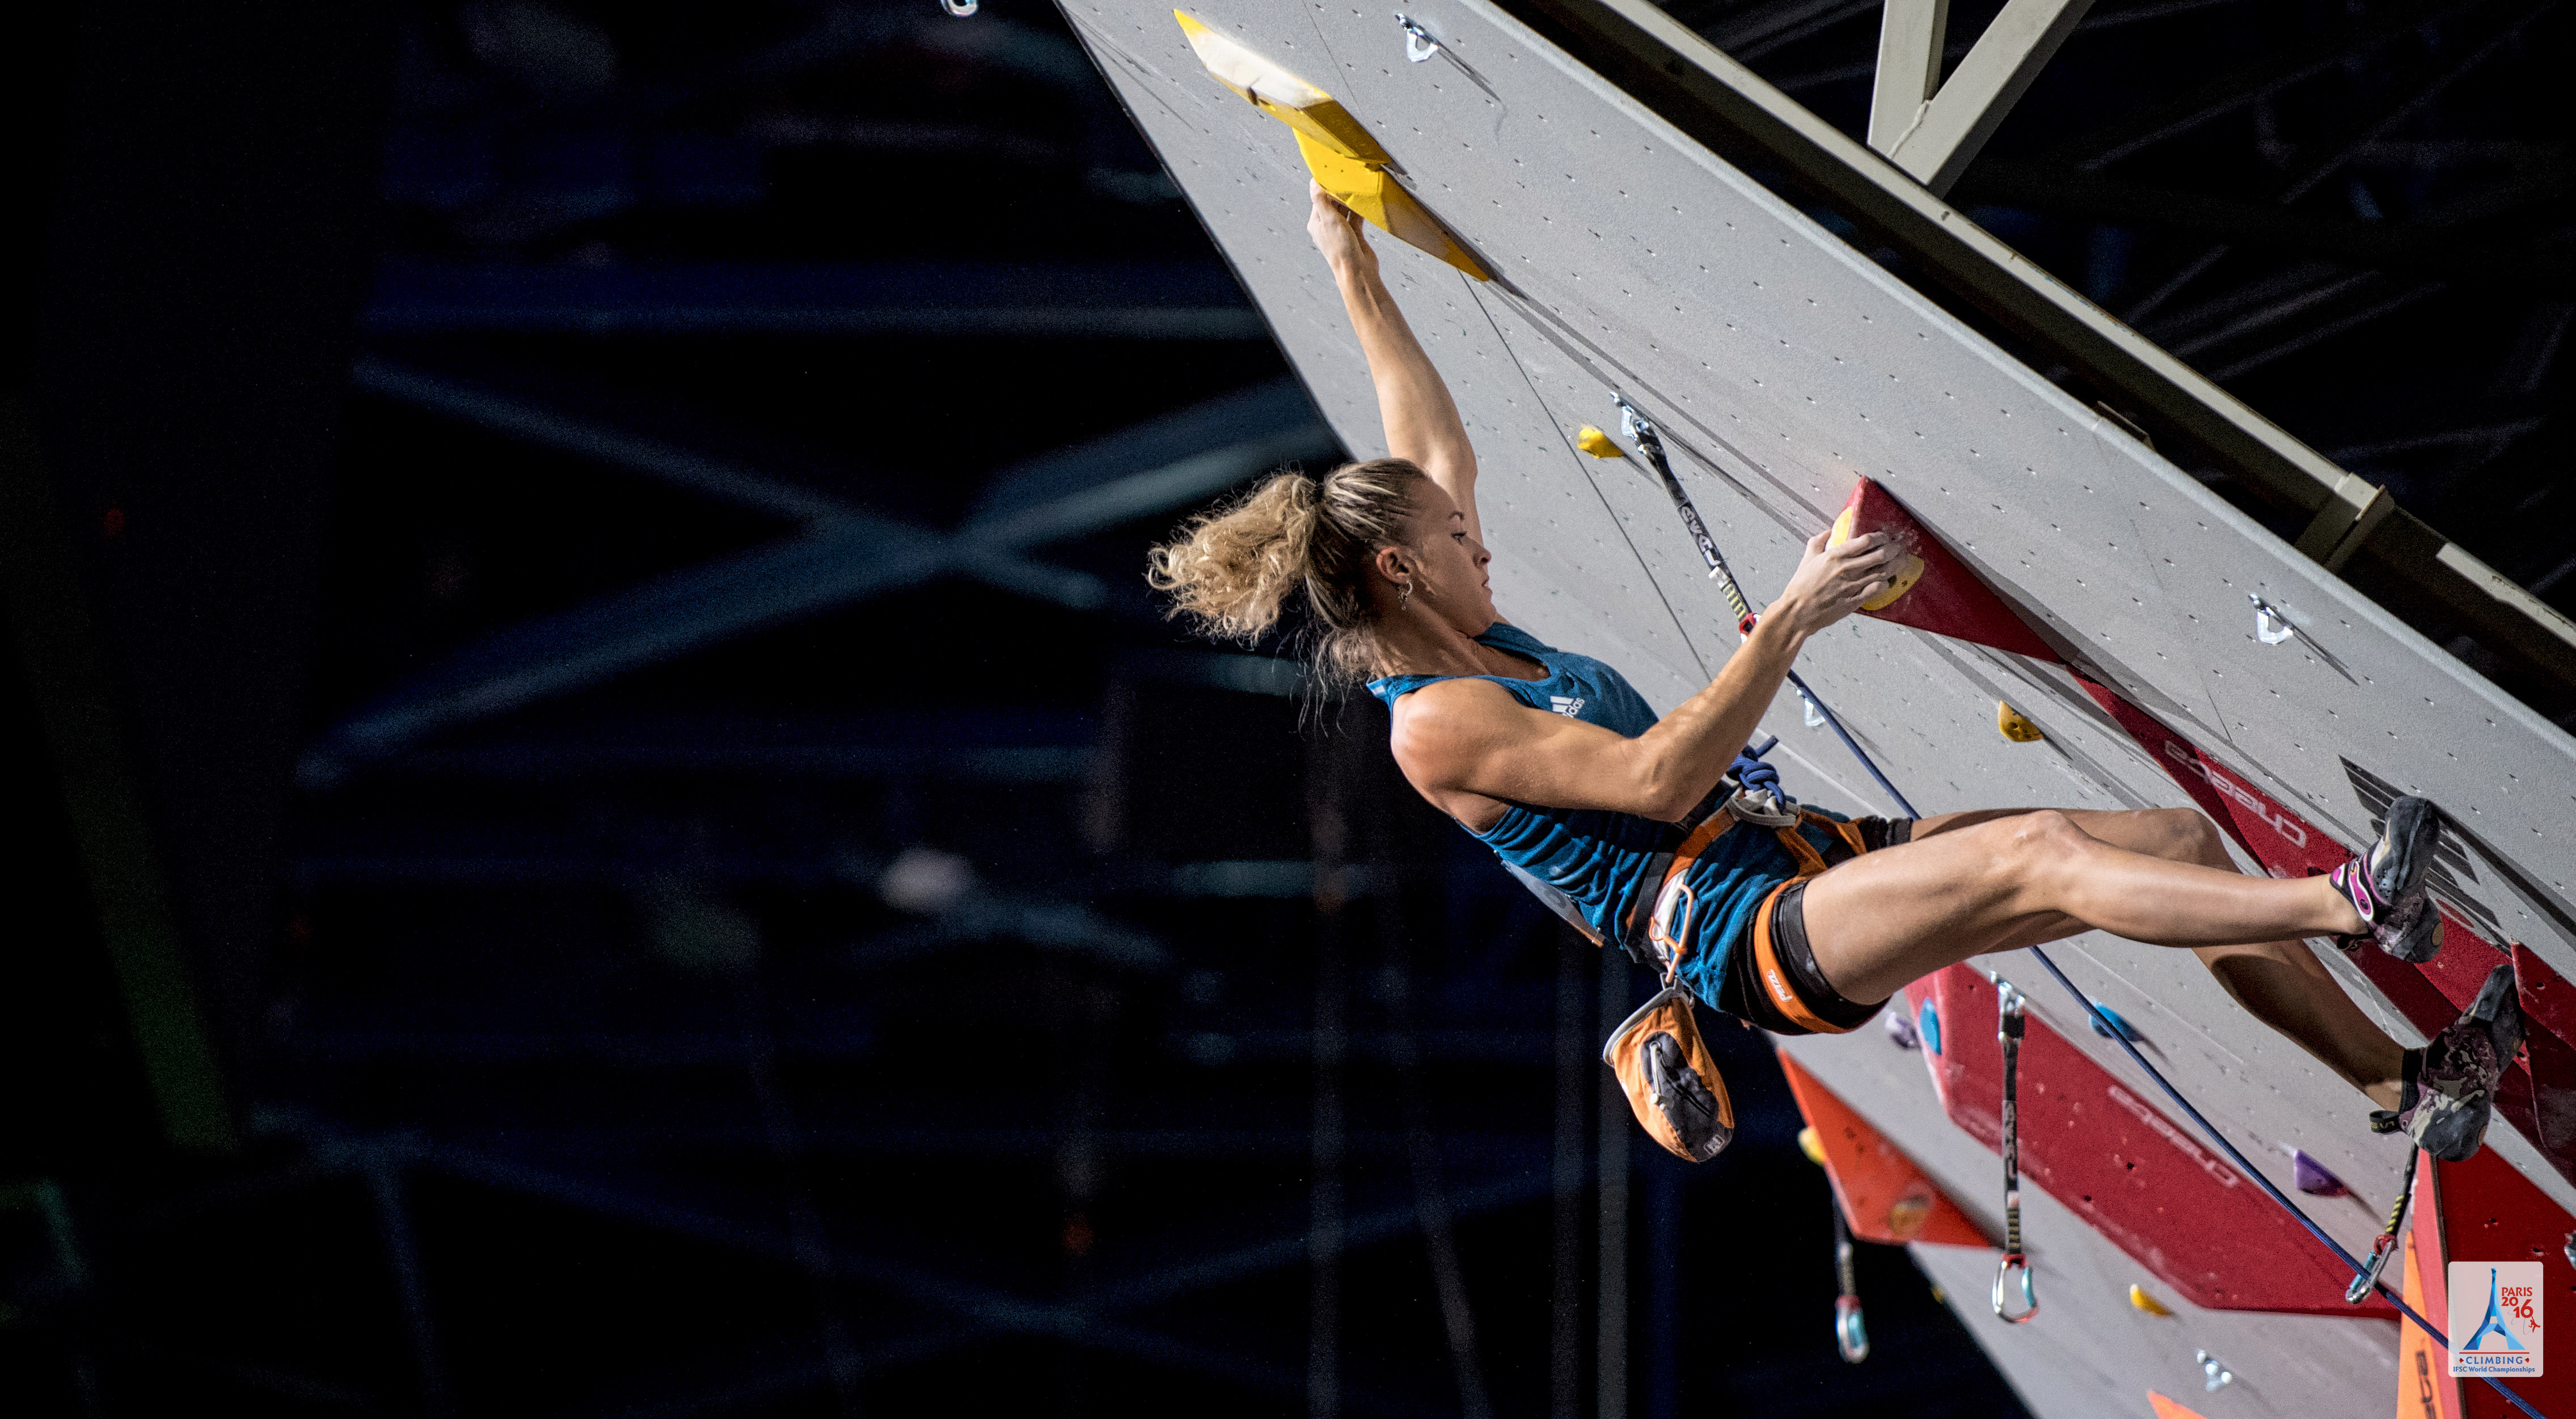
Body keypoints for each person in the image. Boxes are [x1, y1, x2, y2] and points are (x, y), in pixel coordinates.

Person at [1147, 183, 2524, 1164]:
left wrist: (1353, 265)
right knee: (2043, 851)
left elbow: (1425, 442)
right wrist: (1791, 616)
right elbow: (1656, 775)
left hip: (1795, 858)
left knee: (2167, 842)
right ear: (1401, 574)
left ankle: (2406, 1081)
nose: (1483, 539)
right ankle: (2357, 906)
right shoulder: (1436, 726)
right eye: (1461, 542)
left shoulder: (1448, 607)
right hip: (1751, 937)